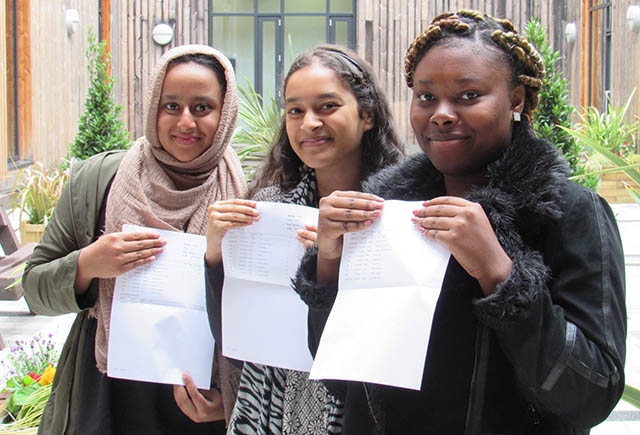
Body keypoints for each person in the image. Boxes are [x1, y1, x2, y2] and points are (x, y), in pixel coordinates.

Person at [293, 9, 627, 434]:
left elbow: (593, 393)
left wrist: (500, 273)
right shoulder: (386, 212)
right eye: (427, 97)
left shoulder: (570, 213)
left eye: (469, 96)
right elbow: (341, 381)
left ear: (517, 99)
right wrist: (330, 262)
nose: (442, 114)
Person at [22, 44, 247, 434]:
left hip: (201, 398)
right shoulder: (97, 181)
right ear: (152, 110)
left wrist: (232, 399)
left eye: (202, 107)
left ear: (225, 113)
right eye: (171, 106)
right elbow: (34, 289)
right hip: (110, 392)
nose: (185, 122)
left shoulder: (249, 191)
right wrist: (88, 264)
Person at [204, 44, 404, 434]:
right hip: (267, 412)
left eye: (327, 106)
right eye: (295, 110)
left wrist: (340, 264)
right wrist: (215, 254)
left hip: (362, 412)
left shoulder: (397, 213)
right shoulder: (267, 207)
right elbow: (232, 334)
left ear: (367, 115)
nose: (309, 123)